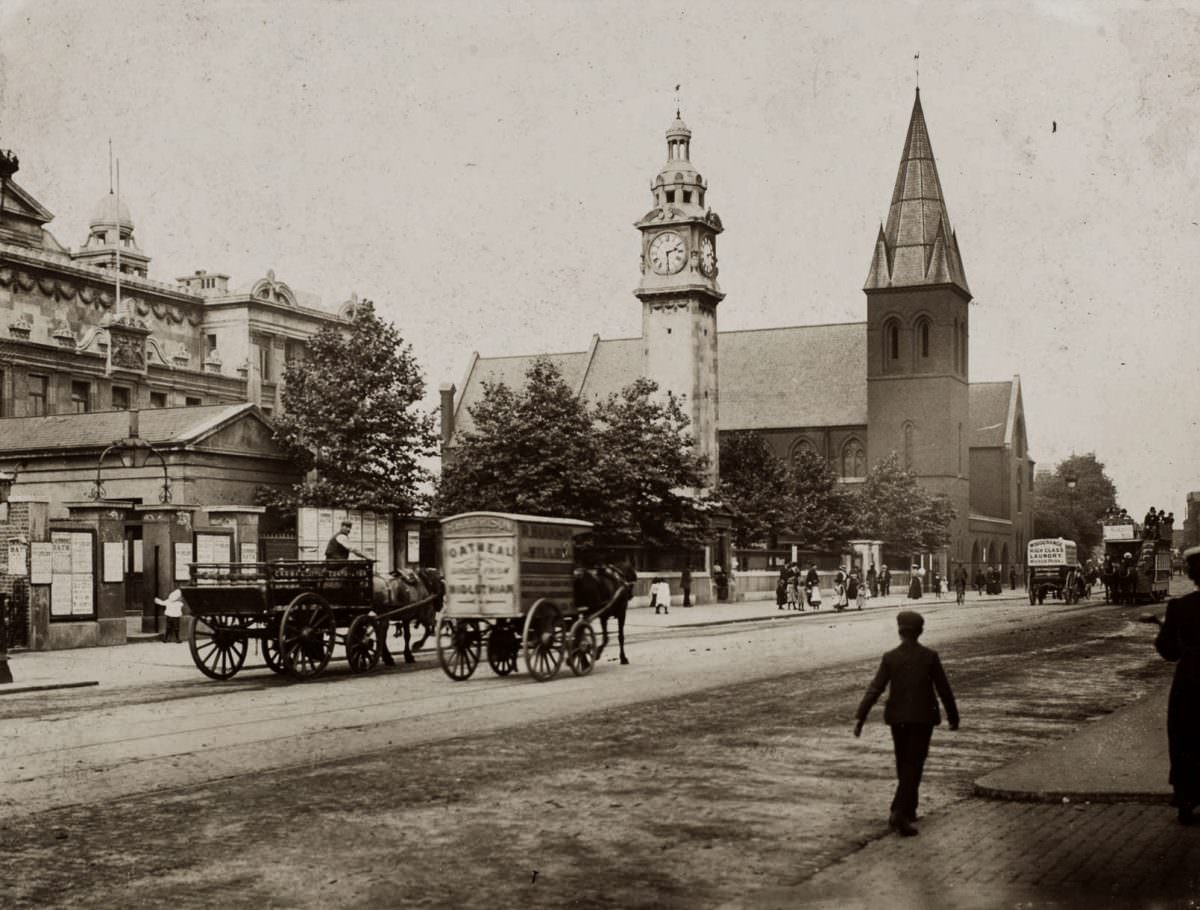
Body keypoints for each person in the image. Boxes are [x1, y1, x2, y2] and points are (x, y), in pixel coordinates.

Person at [854, 610, 959, 836]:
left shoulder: (890, 657)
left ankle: (908, 809)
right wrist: (953, 716)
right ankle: (899, 811)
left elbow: (875, 688)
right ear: (920, 632)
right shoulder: (929, 657)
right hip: (922, 719)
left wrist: (861, 716)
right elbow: (944, 690)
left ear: (900, 631)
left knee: (903, 762)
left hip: (897, 719)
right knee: (914, 764)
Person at [1153, 546, 1200, 825]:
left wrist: (1162, 629)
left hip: (1191, 680)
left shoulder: (1180, 607)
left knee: (1186, 735)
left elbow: (1169, 652)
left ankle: (1187, 796)